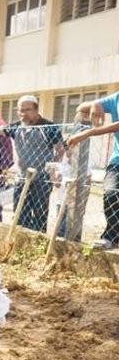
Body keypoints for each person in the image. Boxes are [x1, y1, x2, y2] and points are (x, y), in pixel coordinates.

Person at [0, 95, 63, 232]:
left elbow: (60, 149)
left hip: (42, 178)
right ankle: (20, 238)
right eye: (20, 110)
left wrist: (53, 168)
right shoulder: (16, 127)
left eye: (27, 110)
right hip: (21, 177)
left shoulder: (49, 127)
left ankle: (37, 240)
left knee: (40, 213)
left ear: (36, 110)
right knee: (20, 211)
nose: (23, 114)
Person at [68, 92, 119, 249]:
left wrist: (89, 132)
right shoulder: (116, 98)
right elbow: (80, 107)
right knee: (111, 193)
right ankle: (111, 236)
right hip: (118, 160)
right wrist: (95, 104)